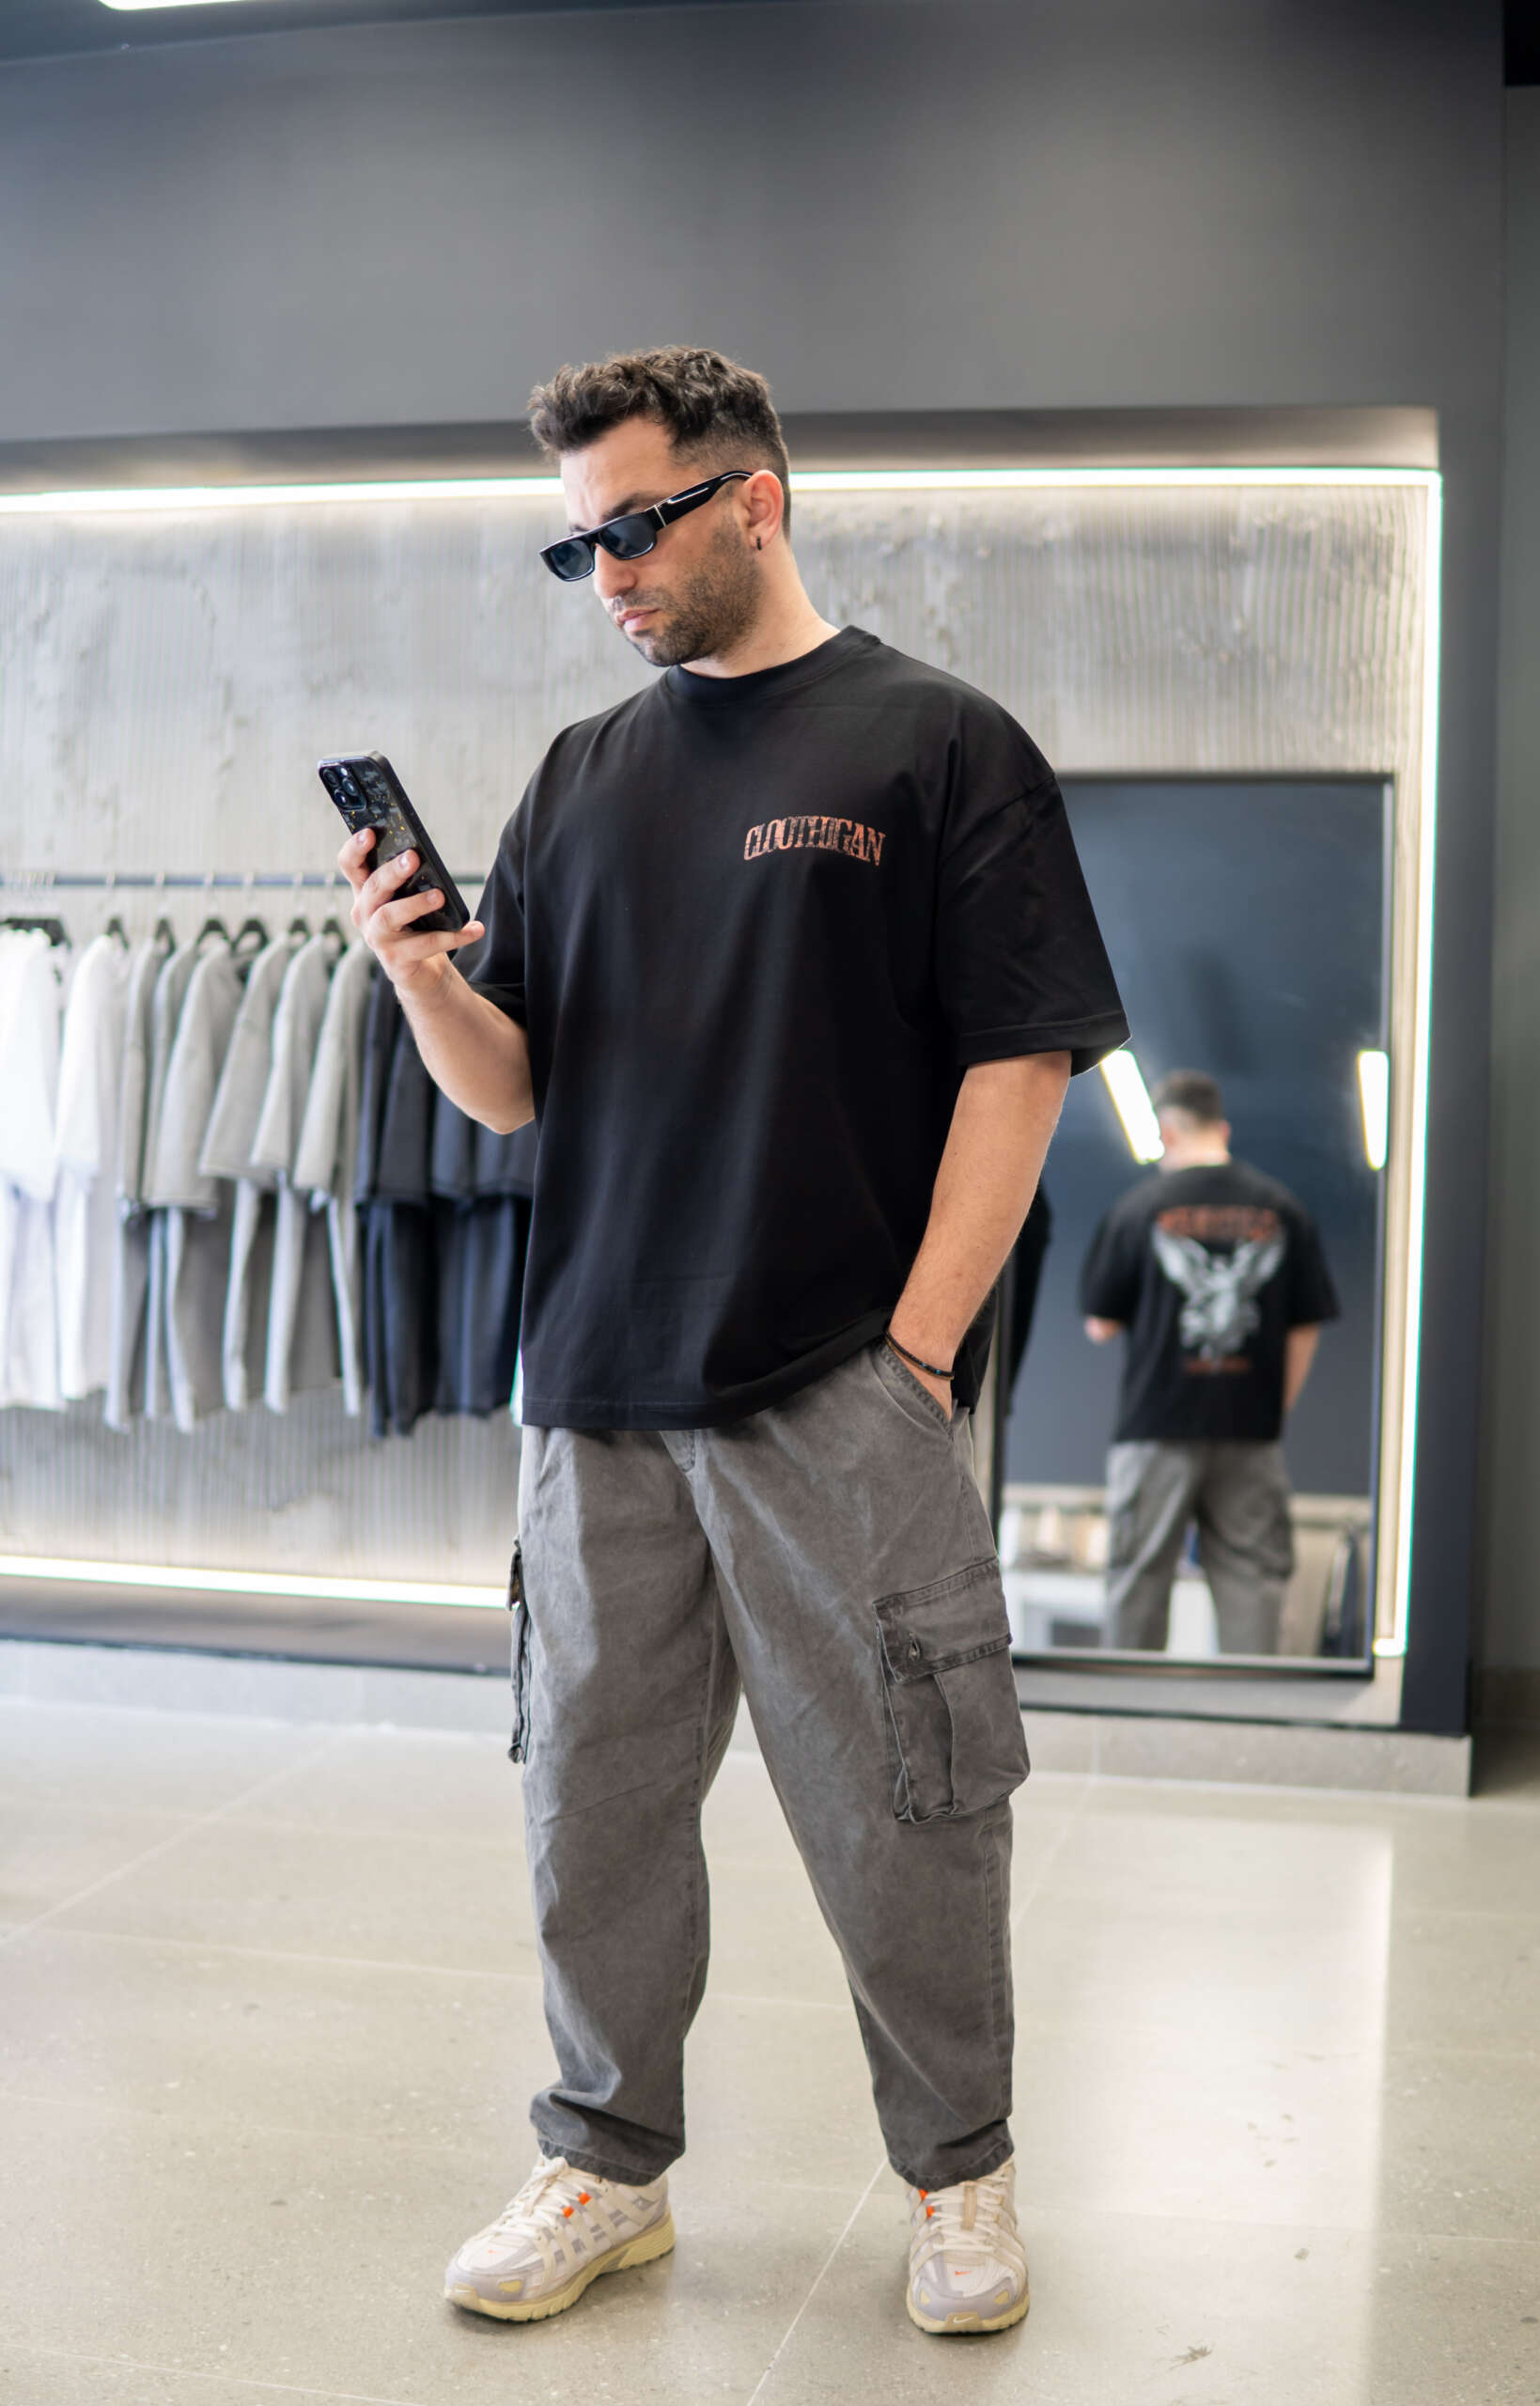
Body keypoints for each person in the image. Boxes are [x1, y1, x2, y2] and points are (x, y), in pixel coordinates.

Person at [339, 346, 1128, 2338]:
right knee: (588, 1806)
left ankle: (956, 2172)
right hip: (594, 1384)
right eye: (575, 544)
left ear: (752, 498)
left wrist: (920, 1352)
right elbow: (512, 1090)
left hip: (834, 1380)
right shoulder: (580, 778)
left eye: (631, 527)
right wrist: (418, 974)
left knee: (906, 1804)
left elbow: (1021, 1057)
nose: (604, 572)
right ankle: (606, 2163)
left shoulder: (935, 744)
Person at [1080, 1069, 1339, 1654]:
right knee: (1254, 1586)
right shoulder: (1282, 1208)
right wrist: (1273, 1407)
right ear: (1222, 1129)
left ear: (1167, 1133)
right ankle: (1250, 1713)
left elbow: (1100, 1325)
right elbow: (1306, 1325)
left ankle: (1128, 1709)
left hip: (1156, 1428)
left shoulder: (1137, 1209)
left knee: (1138, 1583)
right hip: (1250, 1430)